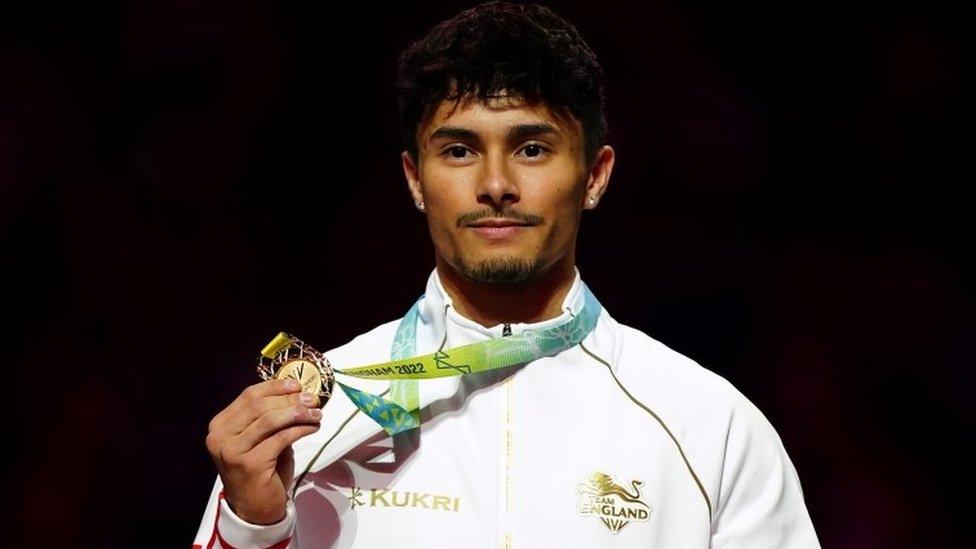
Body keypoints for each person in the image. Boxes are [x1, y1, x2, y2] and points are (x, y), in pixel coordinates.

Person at [193, 2, 820, 547]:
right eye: (460, 150)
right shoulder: (312, 422)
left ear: (594, 176)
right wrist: (251, 526)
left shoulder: (711, 427)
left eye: (532, 148)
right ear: (415, 179)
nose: (496, 186)